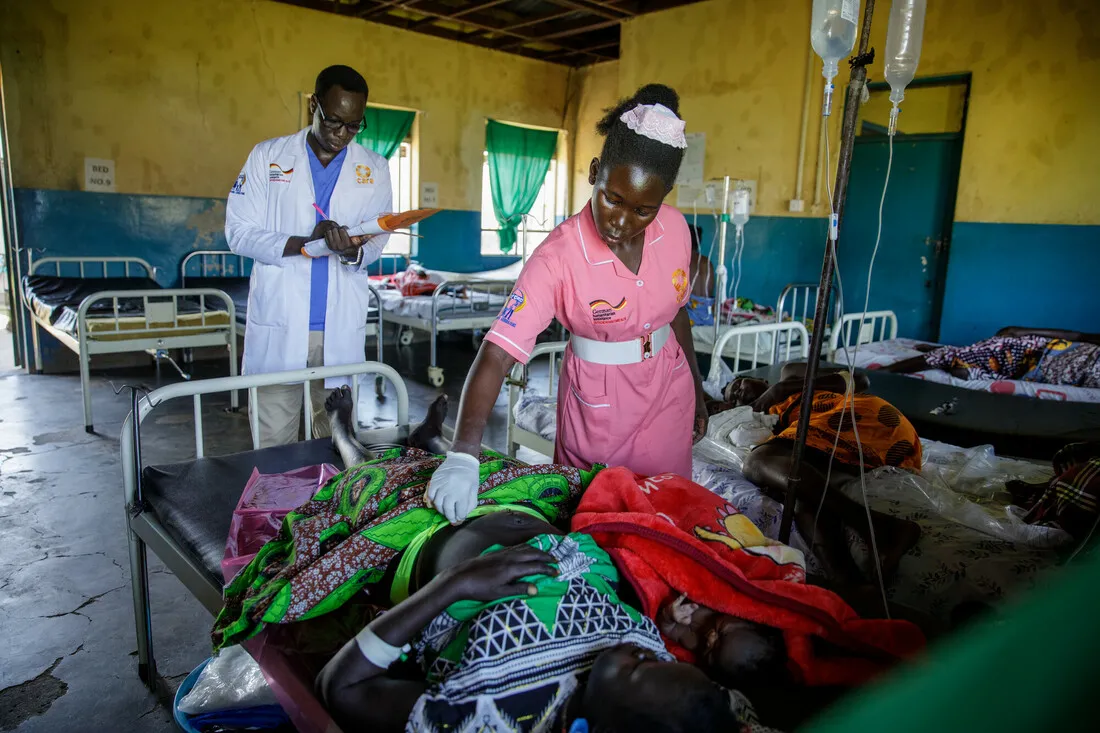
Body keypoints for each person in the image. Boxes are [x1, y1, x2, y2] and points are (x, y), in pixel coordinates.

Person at [426, 84, 709, 525]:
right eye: (612, 198)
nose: (622, 221)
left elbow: (677, 313)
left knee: (666, 519)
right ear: (595, 172)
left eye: (643, 210)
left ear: (664, 197)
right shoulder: (557, 257)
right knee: (598, 522)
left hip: (670, 394)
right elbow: (498, 352)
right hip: (601, 410)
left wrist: (697, 387)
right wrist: (463, 454)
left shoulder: (674, 230)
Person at [225, 64, 391, 447]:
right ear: (313, 105)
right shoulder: (267, 156)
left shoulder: (375, 168)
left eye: (354, 126)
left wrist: (353, 251)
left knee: (335, 442)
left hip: (339, 327)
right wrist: (306, 242)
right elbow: (238, 232)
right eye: (334, 121)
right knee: (273, 445)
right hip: (280, 321)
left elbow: (377, 240)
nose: (342, 134)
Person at [722, 364, 923, 587]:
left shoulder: (790, 375)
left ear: (763, 380)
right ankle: (850, 586)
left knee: (757, 461)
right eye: (734, 398)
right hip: (858, 448)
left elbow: (860, 380)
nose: (739, 393)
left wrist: (783, 388)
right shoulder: (769, 421)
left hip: (860, 416)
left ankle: (876, 527)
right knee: (802, 493)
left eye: (738, 385)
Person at [885, 327, 1100, 388]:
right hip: (1036, 350)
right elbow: (1079, 336)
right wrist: (1023, 331)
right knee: (951, 356)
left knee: (963, 368)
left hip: (1031, 374)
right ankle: (881, 375)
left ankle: (957, 354)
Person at [686, 224, 716, 327]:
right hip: (707, 315)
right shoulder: (707, 262)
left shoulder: (684, 261)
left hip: (690, 316)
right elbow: (710, 292)